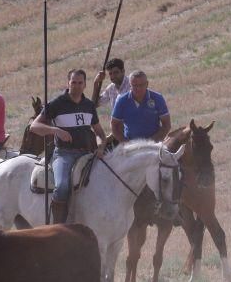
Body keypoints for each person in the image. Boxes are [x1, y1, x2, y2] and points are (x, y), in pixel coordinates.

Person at [29, 69, 107, 224]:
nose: (77, 86)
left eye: (80, 83)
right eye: (73, 82)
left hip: (87, 154)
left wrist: (100, 146)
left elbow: (100, 133)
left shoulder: (89, 105)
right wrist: (55, 130)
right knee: (62, 185)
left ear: (85, 84)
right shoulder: (57, 103)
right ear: (68, 83)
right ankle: (58, 227)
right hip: (64, 154)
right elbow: (34, 126)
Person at [111, 70, 171, 144]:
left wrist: (150, 142)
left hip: (154, 145)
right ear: (130, 85)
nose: (138, 88)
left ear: (147, 84)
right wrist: (126, 143)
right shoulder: (122, 101)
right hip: (130, 146)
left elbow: (166, 125)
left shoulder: (157, 98)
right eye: (135, 85)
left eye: (141, 85)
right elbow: (114, 126)